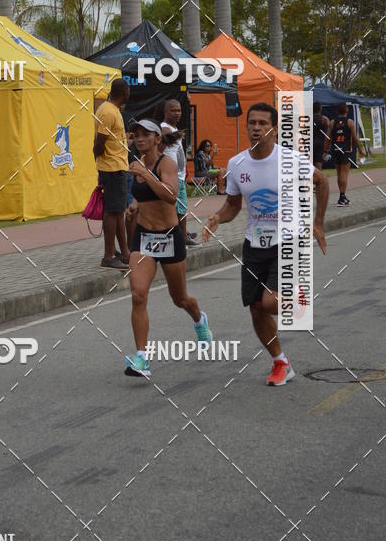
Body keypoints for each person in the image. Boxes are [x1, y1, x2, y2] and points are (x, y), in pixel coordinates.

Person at [202, 102, 329, 387]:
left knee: (270, 302)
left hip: (289, 240)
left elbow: (321, 182)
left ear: (274, 128)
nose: (256, 128)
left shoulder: (291, 160)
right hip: (254, 244)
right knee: (256, 308)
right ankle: (280, 362)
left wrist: (318, 223)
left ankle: (299, 299)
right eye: (252, 123)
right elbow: (233, 205)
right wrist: (217, 218)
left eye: (262, 123)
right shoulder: (237, 164)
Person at [124, 119, 213, 377]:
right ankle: (142, 357)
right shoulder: (137, 164)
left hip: (169, 237)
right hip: (144, 238)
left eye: (145, 135)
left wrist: (144, 175)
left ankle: (199, 319)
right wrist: (135, 205)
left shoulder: (167, 164)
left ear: (157, 139)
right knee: (138, 294)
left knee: (180, 298)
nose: (139, 139)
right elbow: (144, 195)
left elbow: (171, 195)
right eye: (136, 135)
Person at [94, 78, 130, 269]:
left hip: (115, 166)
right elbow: (99, 143)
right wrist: (100, 165)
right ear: (124, 92)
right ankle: (109, 255)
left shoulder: (111, 110)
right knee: (112, 212)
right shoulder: (108, 112)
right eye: (128, 90)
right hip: (112, 167)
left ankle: (123, 252)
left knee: (118, 211)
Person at [161, 99, 197, 245]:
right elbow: (160, 147)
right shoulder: (165, 128)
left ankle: (183, 233)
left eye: (179, 110)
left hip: (180, 176)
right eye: (173, 110)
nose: (177, 113)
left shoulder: (173, 129)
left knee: (180, 208)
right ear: (166, 112)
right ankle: (182, 237)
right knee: (180, 208)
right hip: (173, 177)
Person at [327, 101, 365, 205]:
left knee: (339, 174)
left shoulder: (332, 122)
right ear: (347, 110)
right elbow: (355, 138)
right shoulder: (350, 122)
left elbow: (328, 138)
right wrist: (361, 150)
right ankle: (342, 197)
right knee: (344, 175)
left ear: (337, 111)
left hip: (335, 150)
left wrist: (326, 150)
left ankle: (341, 196)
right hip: (346, 150)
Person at [312, 101, 330, 171]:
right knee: (318, 165)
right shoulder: (325, 119)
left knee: (310, 166)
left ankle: (312, 180)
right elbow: (329, 133)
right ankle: (319, 181)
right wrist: (327, 146)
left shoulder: (307, 118)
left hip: (310, 144)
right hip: (320, 144)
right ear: (320, 109)